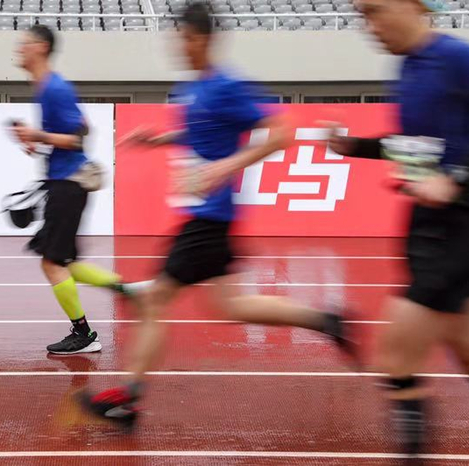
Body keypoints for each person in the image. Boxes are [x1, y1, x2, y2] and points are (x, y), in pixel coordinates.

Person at [77, 3, 357, 427]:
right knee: (231, 305)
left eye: (185, 38)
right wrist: (160, 140)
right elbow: (201, 132)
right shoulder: (195, 89)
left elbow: (282, 132)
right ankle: (326, 320)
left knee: (154, 298)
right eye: (177, 38)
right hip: (207, 218)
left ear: (204, 39)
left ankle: (128, 398)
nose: (179, 46)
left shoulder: (227, 84)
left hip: (208, 219)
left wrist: (228, 166)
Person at [327, 0, 469, 461]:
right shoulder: (407, 69)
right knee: (465, 346)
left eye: (375, 10)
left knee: (394, 357)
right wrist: (354, 146)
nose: (368, 26)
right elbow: (414, 148)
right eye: (361, 16)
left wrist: (456, 180)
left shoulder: (458, 58)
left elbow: (453, 162)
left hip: (463, 225)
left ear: (414, 5)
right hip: (426, 225)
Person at [11, 25, 125, 355]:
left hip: (69, 184)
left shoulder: (54, 88)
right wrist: (40, 142)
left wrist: (38, 136)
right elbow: (83, 125)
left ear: (41, 47)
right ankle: (124, 289)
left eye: (25, 43)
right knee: (65, 262)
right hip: (65, 183)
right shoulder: (45, 87)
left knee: (52, 263)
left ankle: (84, 334)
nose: (19, 49)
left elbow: (77, 137)